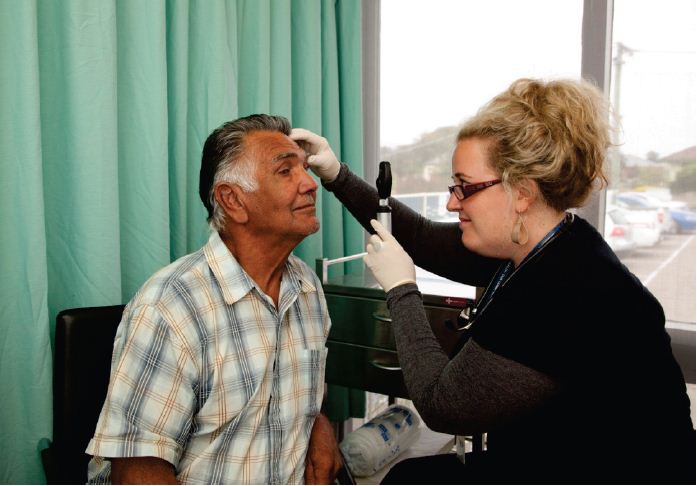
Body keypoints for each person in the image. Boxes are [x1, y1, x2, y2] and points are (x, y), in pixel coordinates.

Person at [292, 78, 696, 484]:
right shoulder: (546, 242)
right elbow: (422, 238)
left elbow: (441, 405)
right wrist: (336, 174)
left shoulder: (568, 291)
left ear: (521, 193)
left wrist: (401, 290)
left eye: (465, 188)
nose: (452, 202)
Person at [86, 114, 342, 484]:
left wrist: (318, 425)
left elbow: (296, 393)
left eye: (305, 169)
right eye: (286, 172)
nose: (310, 184)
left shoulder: (307, 287)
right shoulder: (170, 307)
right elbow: (138, 472)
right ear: (233, 200)